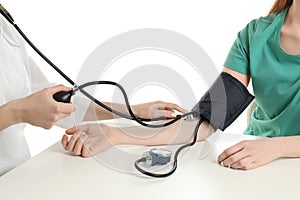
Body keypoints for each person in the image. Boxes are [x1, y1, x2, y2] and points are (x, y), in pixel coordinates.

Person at [62, 0, 300, 170]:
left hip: (271, 156)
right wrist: (116, 134)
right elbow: (206, 120)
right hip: (254, 157)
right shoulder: (255, 34)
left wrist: (275, 148)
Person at [0, 10, 184, 176]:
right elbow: (25, 106)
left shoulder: (4, 24)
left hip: (16, 175)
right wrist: (18, 112)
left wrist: (130, 111)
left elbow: (46, 98)